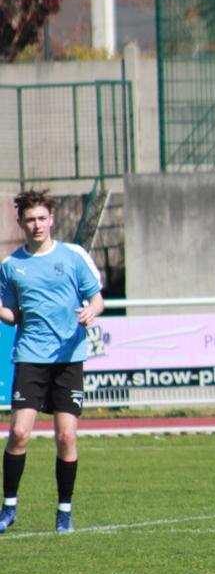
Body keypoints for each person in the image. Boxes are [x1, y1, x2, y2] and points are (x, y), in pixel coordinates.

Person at [0, 189, 104, 534]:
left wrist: (91, 311)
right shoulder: (11, 266)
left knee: (66, 436)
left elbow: (97, 299)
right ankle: (8, 507)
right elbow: (13, 315)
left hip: (68, 358)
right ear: (21, 223)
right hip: (30, 356)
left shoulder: (73, 256)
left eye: (42, 218)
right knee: (18, 432)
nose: (37, 225)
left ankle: (64, 512)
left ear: (52, 219)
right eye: (30, 219)